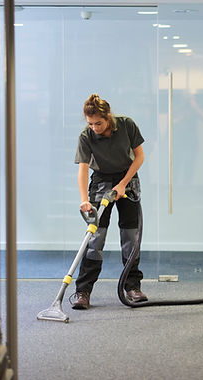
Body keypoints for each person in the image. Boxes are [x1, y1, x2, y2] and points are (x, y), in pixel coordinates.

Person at [71, 93, 148, 309]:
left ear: (108, 117)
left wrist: (123, 183)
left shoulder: (126, 125)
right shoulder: (86, 136)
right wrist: (84, 200)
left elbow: (139, 156)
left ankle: (132, 287)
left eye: (98, 123)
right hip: (101, 180)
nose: (94, 127)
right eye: (90, 123)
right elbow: (83, 170)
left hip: (128, 179)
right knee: (95, 239)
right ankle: (83, 292)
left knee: (130, 236)